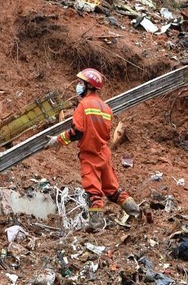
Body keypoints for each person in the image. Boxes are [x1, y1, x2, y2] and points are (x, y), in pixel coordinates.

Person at [46, 68, 140, 230]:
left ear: (89, 86)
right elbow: (105, 133)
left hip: (90, 155)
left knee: (93, 192)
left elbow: (78, 131)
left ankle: (95, 224)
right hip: (103, 153)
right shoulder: (106, 108)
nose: (78, 86)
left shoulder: (84, 105)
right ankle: (135, 212)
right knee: (113, 190)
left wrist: (58, 140)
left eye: (81, 83)